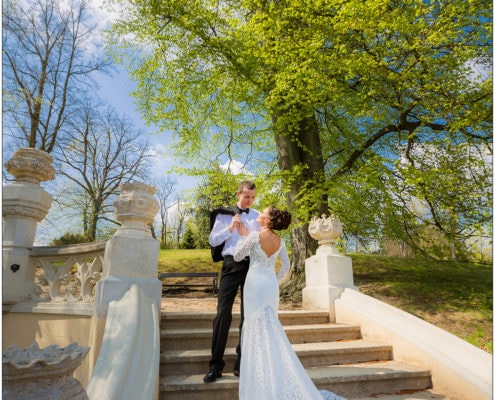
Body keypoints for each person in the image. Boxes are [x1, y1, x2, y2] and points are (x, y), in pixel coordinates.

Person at [234, 206, 347, 400]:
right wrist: (273, 281)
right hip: (269, 285)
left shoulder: (253, 236)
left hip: (254, 284)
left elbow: (237, 256)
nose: (260, 213)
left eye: (264, 212)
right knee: (271, 329)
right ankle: (273, 379)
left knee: (254, 329)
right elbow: (286, 266)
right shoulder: (281, 241)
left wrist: (243, 236)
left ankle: (260, 385)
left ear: (268, 220)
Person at [203, 180, 260, 383]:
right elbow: (212, 241)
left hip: (251, 266)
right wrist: (230, 228)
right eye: (246, 196)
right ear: (238, 194)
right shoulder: (223, 215)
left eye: (252, 197)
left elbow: (260, 241)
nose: (249, 201)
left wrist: (250, 234)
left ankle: (241, 363)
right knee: (222, 314)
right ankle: (215, 366)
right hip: (230, 265)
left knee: (248, 315)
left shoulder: (257, 216)